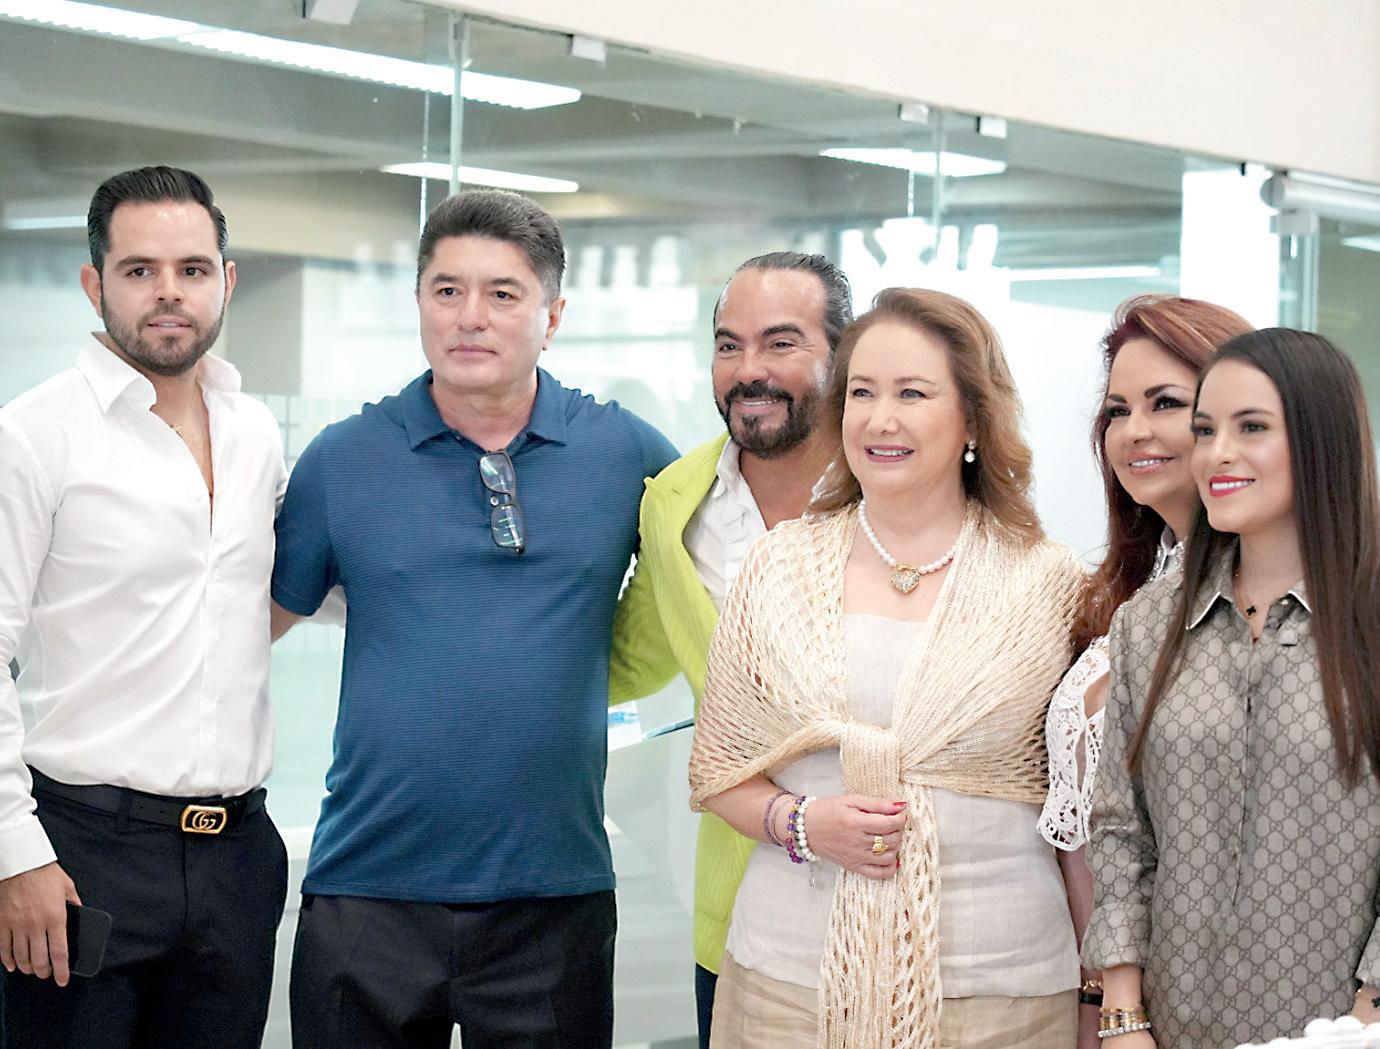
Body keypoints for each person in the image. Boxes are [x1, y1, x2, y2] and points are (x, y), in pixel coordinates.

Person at [271, 189, 677, 1049]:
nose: (470, 316)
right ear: (418, 301)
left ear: (552, 316)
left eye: (502, 293)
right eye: (447, 290)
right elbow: (248, 630)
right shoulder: (342, 460)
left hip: (554, 898)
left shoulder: (625, 453)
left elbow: (723, 576)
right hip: (367, 891)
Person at [689, 288, 1084, 1048]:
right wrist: (804, 823)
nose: (880, 419)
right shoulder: (778, 566)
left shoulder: (1048, 581)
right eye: (862, 393)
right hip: (789, 982)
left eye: (913, 393)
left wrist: (1105, 990)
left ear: (974, 418)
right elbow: (720, 770)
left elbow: (1080, 811)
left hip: (1002, 989)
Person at [0, 166, 288, 1048]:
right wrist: (15, 853)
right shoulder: (34, 434)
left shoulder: (255, 432)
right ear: (95, 285)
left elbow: (270, 598)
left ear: (225, 281)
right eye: (139, 270)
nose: (169, 292)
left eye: (192, 269)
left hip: (237, 856)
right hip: (83, 852)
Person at [1084, 329, 1380, 1047]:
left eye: (1251, 428)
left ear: (1320, 442)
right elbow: (1122, 829)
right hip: (1166, 1029)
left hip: (1341, 1031)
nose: (1217, 454)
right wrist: (1124, 1017)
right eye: (1206, 430)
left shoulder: (1369, 621)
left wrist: (1362, 1020)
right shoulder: (1148, 623)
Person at [608, 250, 853, 1047]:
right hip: (740, 905)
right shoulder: (675, 503)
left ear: (842, 355)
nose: (749, 370)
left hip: (895, 896)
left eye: (781, 342)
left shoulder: (893, 490)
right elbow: (637, 656)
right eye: (728, 344)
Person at [1036, 296, 1252, 1045]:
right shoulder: (1123, 594)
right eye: (1117, 411)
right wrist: (1101, 1003)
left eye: (1165, 403)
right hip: (1102, 1000)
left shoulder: (1271, 604)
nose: (1134, 432)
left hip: (1215, 1002)